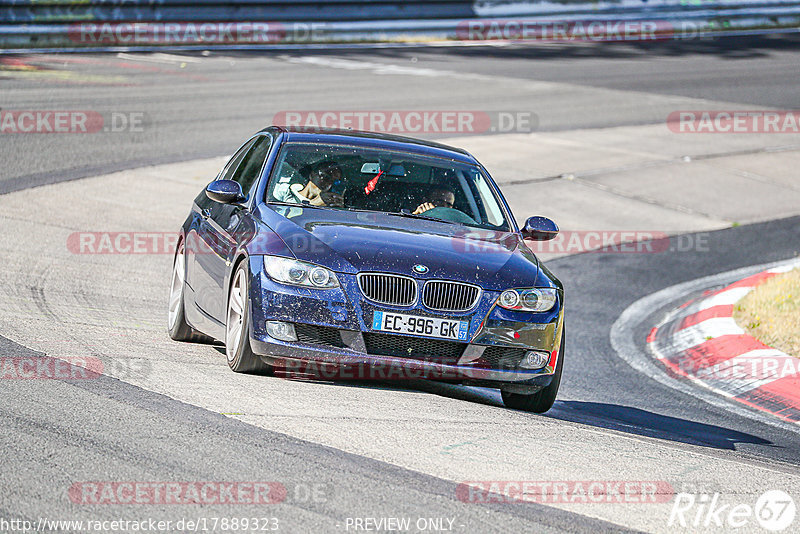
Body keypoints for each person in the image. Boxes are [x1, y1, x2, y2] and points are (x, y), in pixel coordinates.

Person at [272, 160, 344, 207]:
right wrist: (313, 204)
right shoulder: (283, 192)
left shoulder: (327, 207)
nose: (329, 183)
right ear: (312, 175)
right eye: (326, 176)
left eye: (335, 182)